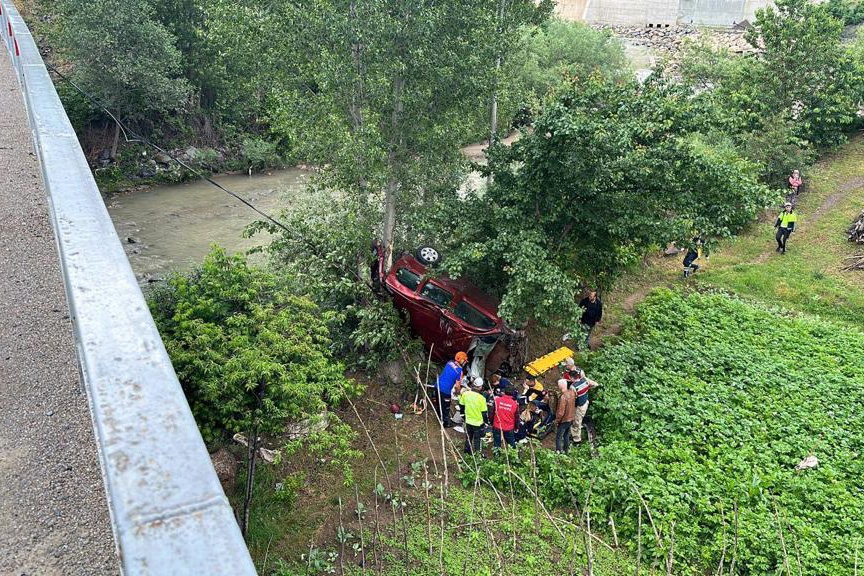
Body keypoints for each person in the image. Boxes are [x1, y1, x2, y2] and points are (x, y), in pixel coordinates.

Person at [434, 351, 467, 428]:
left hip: (437, 385)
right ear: (462, 360)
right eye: (465, 360)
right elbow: (457, 386)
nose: (465, 362)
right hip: (445, 391)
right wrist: (458, 393)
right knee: (446, 407)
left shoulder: (449, 362)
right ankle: (445, 424)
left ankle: (439, 417)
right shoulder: (459, 371)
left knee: (439, 403)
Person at [459, 378, 489, 456]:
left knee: (468, 437)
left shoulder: (465, 394)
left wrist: (463, 416)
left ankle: (467, 452)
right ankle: (478, 455)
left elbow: (461, 406)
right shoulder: (481, 398)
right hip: (478, 423)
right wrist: (486, 422)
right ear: (480, 387)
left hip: (468, 420)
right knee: (477, 439)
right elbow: (484, 413)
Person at [569, 367, 597, 443]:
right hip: (585, 402)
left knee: (576, 422)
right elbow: (595, 384)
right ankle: (578, 429)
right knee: (579, 418)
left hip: (580, 406)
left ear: (571, 378)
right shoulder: (585, 380)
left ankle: (576, 439)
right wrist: (587, 389)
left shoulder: (573, 387)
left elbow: (572, 398)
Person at [491, 387, 520, 452]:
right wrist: (516, 427)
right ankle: (515, 459)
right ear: (513, 394)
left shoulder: (497, 400)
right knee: (511, 444)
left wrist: (492, 423)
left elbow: (492, 413)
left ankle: (497, 459)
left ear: (504, 392)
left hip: (497, 426)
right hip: (508, 428)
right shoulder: (514, 404)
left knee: (496, 444)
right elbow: (517, 418)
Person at [554, 379, 576, 454]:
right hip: (571, 418)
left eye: (558, 385)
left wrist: (557, 421)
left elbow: (560, 412)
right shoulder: (572, 392)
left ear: (561, 386)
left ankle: (558, 451)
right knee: (566, 435)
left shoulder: (563, 397)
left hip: (564, 420)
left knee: (558, 437)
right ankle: (566, 450)